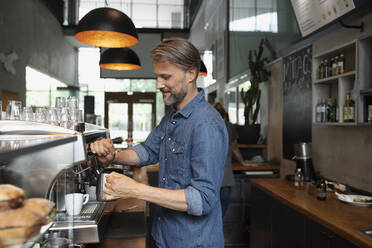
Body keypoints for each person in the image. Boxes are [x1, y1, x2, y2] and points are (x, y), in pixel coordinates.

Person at [90, 38, 228, 248]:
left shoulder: (206, 124)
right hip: (165, 236)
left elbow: (203, 199)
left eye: (166, 77)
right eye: (157, 76)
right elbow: (147, 150)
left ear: (191, 74)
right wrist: (114, 156)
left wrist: (135, 190)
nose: (158, 85)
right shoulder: (173, 116)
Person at [213, 102, 257, 217]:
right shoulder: (228, 126)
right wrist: (243, 162)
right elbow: (235, 147)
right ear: (225, 117)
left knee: (210, 205)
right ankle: (217, 227)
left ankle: (211, 229)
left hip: (209, 173)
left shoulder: (205, 125)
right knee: (224, 202)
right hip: (224, 174)